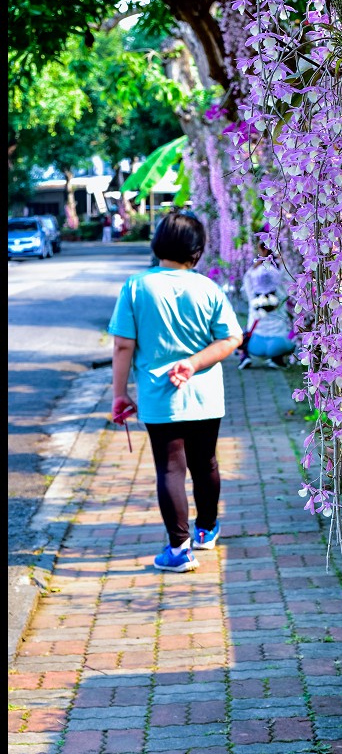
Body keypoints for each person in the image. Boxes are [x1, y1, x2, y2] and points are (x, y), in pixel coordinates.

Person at [108, 211, 243, 572]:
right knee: (206, 463)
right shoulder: (208, 287)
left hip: (158, 394)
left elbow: (123, 346)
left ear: (157, 244)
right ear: (197, 252)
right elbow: (232, 337)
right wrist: (195, 363)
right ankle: (206, 530)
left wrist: (119, 394)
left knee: (170, 470)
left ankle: (179, 549)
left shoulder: (136, 287)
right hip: (205, 395)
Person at [238, 262, 295, 370]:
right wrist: (280, 258)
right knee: (295, 335)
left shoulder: (252, 299)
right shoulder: (281, 297)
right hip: (279, 344)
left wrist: (254, 266)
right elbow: (289, 280)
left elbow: (247, 280)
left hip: (255, 345)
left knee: (242, 332)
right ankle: (277, 359)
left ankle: (245, 356)